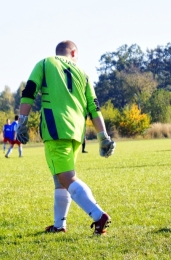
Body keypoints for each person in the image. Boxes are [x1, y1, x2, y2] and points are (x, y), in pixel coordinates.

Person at [16, 40, 116, 235]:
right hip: (77, 132)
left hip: (55, 128)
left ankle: (98, 215)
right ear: (73, 53)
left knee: (66, 177)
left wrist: (22, 122)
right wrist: (103, 136)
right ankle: (59, 225)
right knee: (60, 178)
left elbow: (29, 92)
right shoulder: (83, 73)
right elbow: (94, 108)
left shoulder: (45, 63)